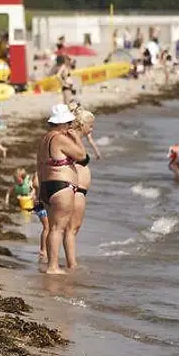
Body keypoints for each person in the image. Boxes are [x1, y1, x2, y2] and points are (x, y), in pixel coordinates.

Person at [36, 103, 85, 274]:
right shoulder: (59, 138)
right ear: (62, 123)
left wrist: (39, 192)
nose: (70, 127)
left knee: (52, 227)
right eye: (68, 124)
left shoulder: (44, 140)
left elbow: (39, 166)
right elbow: (81, 156)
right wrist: (77, 138)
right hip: (62, 186)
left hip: (47, 186)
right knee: (58, 228)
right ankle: (53, 266)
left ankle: (52, 264)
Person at [68, 105, 101, 266]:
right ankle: (72, 263)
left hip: (78, 190)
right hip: (76, 189)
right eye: (91, 125)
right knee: (72, 229)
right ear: (83, 125)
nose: (92, 129)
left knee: (71, 229)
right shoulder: (73, 140)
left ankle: (67, 261)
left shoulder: (75, 139)